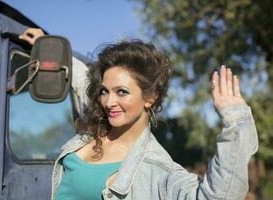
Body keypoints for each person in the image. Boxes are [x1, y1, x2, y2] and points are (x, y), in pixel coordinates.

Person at [20, 28, 258, 200]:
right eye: (105, 91)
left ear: (150, 97)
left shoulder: (158, 169)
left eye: (122, 92)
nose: (109, 102)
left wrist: (235, 120)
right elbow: (86, 82)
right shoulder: (96, 128)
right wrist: (48, 49)